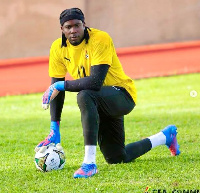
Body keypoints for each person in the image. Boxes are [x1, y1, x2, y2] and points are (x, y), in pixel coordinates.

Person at [35, 8, 180, 178]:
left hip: (122, 95)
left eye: (77, 25)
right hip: (99, 102)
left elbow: (95, 82)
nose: (73, 30)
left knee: (84, 94)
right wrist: (54, 128)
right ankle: (165, 136)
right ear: (62, 29)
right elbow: (55, 90)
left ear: (84, 25)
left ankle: (89, 163)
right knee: (116, 157)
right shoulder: (58, 48)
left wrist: (60, 85)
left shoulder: (100, 39)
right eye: (68, 27)